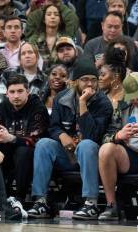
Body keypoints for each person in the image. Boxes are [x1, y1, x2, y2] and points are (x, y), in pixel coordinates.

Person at [27, 58, 113, 220]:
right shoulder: (61, 98)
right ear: (74, 82)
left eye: (93, 80)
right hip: (67, 153)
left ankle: (91, 203)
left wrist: (82, 104)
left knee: (86, 145)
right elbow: (53, 127)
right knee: (44, 144)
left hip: (90, 156)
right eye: (85, 80)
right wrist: (62, 135)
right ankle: (41, 201)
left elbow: (93, 135)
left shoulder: (103, 103)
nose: (89, 84)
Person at [98, 70, 138, 220]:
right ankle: (111, 205)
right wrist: (118, 136)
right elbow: (106, 136)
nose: (134, 101)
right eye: (131, 97)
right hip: (130, 155)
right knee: (105, 149)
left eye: (137, 97)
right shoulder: (124, 105)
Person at [0, 74, 50, 203]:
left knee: (23, 151)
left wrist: (12, 138)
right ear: (6, 93)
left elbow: (35, 139)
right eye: (12, 92)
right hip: (9, 147)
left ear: (27, 92)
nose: (16, 96)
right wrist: (0, 138)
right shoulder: (2, 107)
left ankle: (19, 198)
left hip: (33, 151)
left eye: (20, 91)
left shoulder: (37, 107)